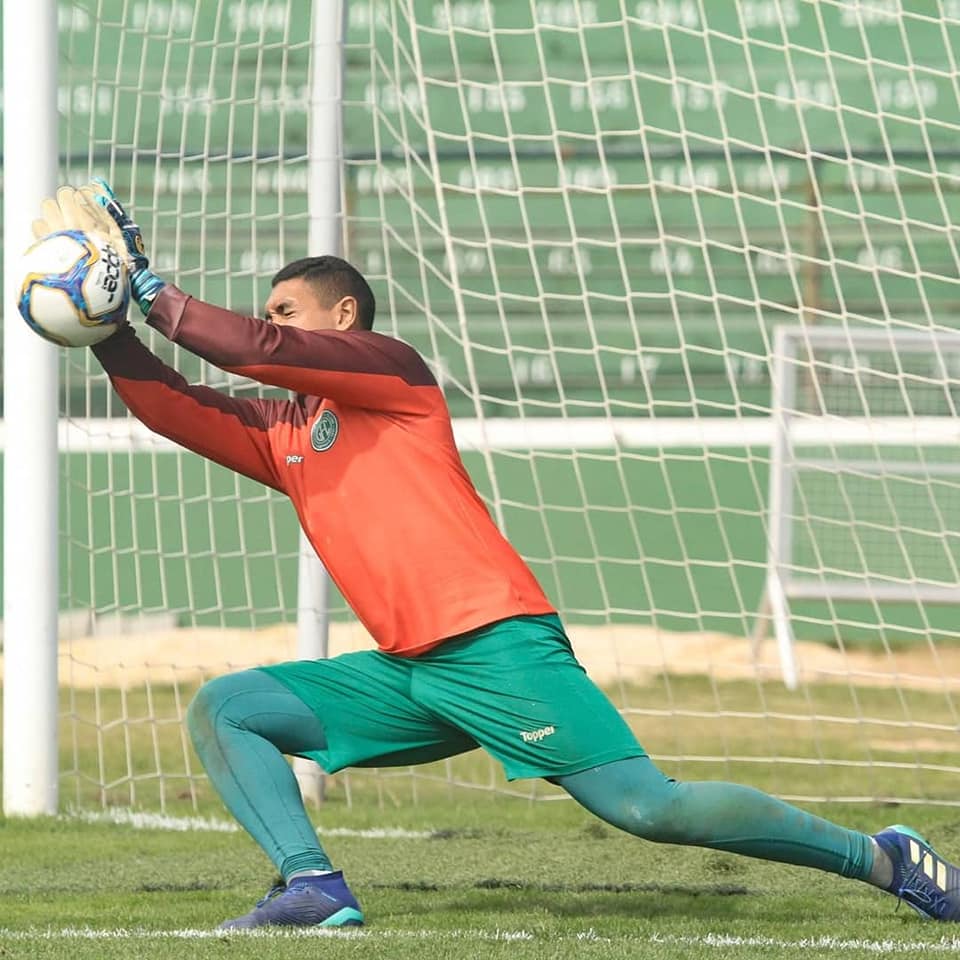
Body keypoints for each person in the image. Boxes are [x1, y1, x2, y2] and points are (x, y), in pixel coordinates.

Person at [34, 181, 960, 929]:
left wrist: (147, 288)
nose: (272, 321)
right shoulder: (289, 432)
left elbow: (257, 348)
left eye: (290, 308)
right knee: (228, 707)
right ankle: (312, 886)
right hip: (410, 672)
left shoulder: (393, 373)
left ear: (343, 314)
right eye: (271, 310)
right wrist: (106, 327)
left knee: (649, 809)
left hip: (495, 646)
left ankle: (878, 855)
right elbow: (176, 405)